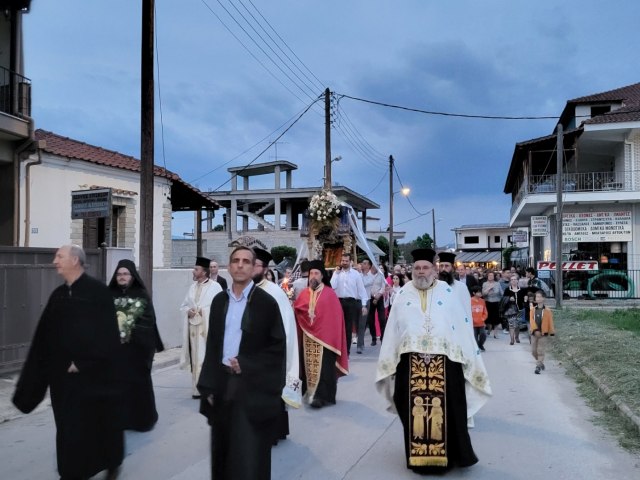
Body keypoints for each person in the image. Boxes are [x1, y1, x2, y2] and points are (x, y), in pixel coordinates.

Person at [13, 245, 124, 480]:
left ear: (75, 260)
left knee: (98, 424)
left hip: (94, 378)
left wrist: (83, 362)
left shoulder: (97, 292)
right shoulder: (58, 296)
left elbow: (108, 335)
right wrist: (34, 378)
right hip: (63, 380)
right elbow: (43, 338)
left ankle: (111, 462)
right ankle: (72, 472)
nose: (55, 261)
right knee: (67, 428)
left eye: (60, 256)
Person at [376, 248, 491, 473]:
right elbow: (393, 329)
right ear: (412, 270)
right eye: (417, 268)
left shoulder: (447, 292)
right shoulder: (403, 294)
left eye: (425, 267)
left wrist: (466, 354)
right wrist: (391, 359)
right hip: (410, 360)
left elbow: (459, 325)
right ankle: (419, 456)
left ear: (433, 269)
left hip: (445, 361)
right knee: (405, 401)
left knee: (451, 406)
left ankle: (450, 454)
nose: (421, 272)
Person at [197, 246, 286, 480]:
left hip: (251, 388)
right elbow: (213, 345)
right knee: (223, 450)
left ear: (254, 267)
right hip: (222, 384)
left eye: (246, 261)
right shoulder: (219, 301)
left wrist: (246, 363)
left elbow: (276, 350)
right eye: (235, 260)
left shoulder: (266, 304)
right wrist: (208, 384)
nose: (240, 265)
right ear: (228, 267)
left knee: (248, 456)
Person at [108, 259, 164, 432]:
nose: (122, 277)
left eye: (125, 274)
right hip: (116, 352)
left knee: (139, 386)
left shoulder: (141, 295)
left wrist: (128, 329)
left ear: (132, 276)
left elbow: (149, 321)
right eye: (119, 274)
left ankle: (143, 421)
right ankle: (121, 420)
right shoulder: (109, 294)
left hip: (137, 350)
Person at [253, 248, 302, 444]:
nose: (250, 268)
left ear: (265, 269)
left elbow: (286, 327)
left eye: (255, 265)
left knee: (271, 394)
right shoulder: (245, 289)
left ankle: (273, 432)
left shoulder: (274, 292)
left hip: (271, 353)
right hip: (251, 354)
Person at [293, 260, 349, 408]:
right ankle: (309, 393)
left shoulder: (329, 294)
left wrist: (330, 336)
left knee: (324, 368)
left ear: (322, 275)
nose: (313, 276)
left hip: (326, 340)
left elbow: (335, 318)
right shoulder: (304, 293)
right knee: (307, 367)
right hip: (307, 338)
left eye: (316, 273)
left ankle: (322, 397)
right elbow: (298, 310)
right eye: (311, 273)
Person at [180, 256, 222, 398]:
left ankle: (209, 388)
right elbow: (184, 306)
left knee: (206, 358)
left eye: (196, 269)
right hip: (193, 330)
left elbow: (220, 308)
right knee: (195, 360)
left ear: (203, 272)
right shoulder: (192, 287)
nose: (193, 271)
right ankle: (197, 389)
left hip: (207, 330)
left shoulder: (215, 287)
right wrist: (188, 312)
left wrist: (203, 311)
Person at [330, 253, 368, 355]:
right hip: (338, 301)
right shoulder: (337, 273)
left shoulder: (356, 274)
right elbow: (332, 286)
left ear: (350, 262)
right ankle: (337, 349)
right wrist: (336, 274)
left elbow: (362, 290)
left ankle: (346, 351)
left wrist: (364, 305)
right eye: (343, 261)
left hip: (351, 302)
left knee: (348, 326)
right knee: (337, 326)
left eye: (346, 261)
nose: (344, 263)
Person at [529, 290, 555, 374]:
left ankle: (538, 366)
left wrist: (551, 331)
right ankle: (540, 362)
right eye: (537, 297)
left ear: (543, 298)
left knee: (540, 350)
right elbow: (531, 321)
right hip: (534, 333)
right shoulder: (532, 310)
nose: (538, 298)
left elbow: (550, 321)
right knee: (534, 351)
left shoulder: (547, 310)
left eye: (540, 297)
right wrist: (535, 330)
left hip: (543, 333)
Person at [501, 274, 528, 345]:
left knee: (517, 325)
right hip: (511, 310)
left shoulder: (522, 290)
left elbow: (525, 299)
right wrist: (509, 298)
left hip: (520, 309)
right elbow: (503, 299)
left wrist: (525, 299)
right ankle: (512, 339)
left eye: (515, 279)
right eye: (512, 280)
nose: (513, 281)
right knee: (511, 325)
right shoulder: (507, 289)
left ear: (517, 281)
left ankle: (517, 337)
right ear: (510, 281)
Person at [366, 261, 387, 345]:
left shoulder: (381, 274)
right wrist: (373, 295)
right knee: (371, 319)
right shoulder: (367, 274)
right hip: (370, 297)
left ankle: (382, 337)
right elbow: (367, 286)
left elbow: (383, 286)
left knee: (382, 319)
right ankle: (373, 338)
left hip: (379, 297)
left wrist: (378, 295)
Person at [481, 271, 502, 339]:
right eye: (489, 275)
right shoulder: (485, 284)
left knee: (496, 319)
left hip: (496, 302)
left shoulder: (497, 283)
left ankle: (496, 333)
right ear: (487, 276)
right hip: (487, 302)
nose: (490, 277)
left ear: (494, 276)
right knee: (488, 318)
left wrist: (500, 298)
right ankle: (489, 329)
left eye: (492, 275)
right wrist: (488, 289)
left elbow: (501, 293)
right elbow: (483, 294)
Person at [470, 286, 488, 351]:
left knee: (483, 335)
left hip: (481, 323)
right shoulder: (469, 301)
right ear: (474, 293)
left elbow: (485, 312)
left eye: (480, 292)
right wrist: (471, 320)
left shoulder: (482, 301)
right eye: (478, 292)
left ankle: (480, 345)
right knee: (474, 337)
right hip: (473, 323)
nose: (480, 293)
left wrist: (483, 318)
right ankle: (477, 348)